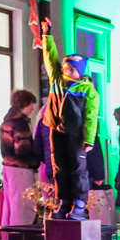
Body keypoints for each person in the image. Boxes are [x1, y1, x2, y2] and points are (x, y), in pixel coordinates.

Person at [32, 18, 100, 219]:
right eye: (64, 69)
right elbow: (50, 58)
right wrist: (47, 36)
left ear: (80, 71)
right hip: (56, 130)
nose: (66, 72)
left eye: (71, 69)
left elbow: (91, 116)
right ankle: (64, 203)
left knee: (78, 169)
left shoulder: (88, 91)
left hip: (76, 135)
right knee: (60, 169)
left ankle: (79, 205)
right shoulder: (57, 82)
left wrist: (89, 139)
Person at [0, 89, 41, 228]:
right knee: (22, 206)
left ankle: (7, 239)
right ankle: (19, 238)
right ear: (24, 104)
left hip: (7, 167)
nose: (33, 108)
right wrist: (36, 160)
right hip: (21, 169)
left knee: (9, 205)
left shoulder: (6, 122)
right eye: (31, 104)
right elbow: (22, 149)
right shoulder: (20, 124)